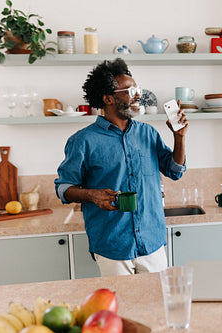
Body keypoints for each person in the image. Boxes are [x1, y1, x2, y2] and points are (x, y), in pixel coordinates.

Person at [55, 58, 188, 276]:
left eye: (138, 89)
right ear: (108, 98)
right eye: (130, 90)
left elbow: (174, 171)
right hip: (112, 245)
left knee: (156, 305)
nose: (138, 95)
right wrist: (92, 195)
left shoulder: (148, 133)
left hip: (152, 242)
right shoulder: (83, 141)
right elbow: (63, 188)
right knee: (119, 308)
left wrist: (179, 137)